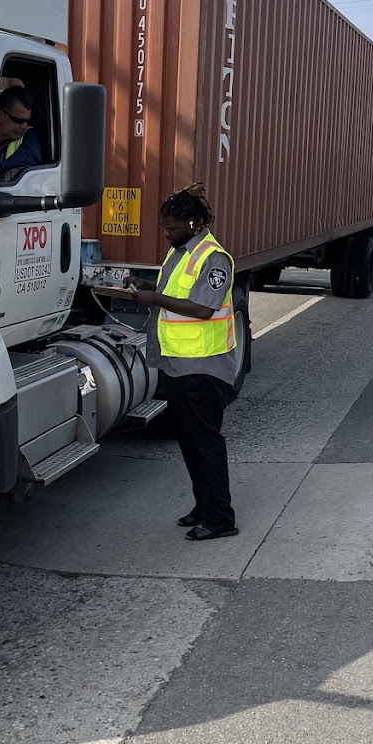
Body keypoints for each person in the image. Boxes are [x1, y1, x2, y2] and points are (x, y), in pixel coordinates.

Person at [124, 183, 239, 541]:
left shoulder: (214, 258)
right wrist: (141, 284)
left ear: (192, 222)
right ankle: (203, 506)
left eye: (171, 227)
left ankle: (220, 518)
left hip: (203, 368)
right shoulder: (182, 251)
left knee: (205, 443)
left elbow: (203, 309)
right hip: (180, 364)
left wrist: (153, 298)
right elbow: (175, 294)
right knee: (189, 442)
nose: (166, 232)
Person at [0, 85, 42, 176]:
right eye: (19, 120)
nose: (24, 126)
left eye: (28, 121)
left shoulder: (29, 134)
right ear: (0, 116)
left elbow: (29, 157)